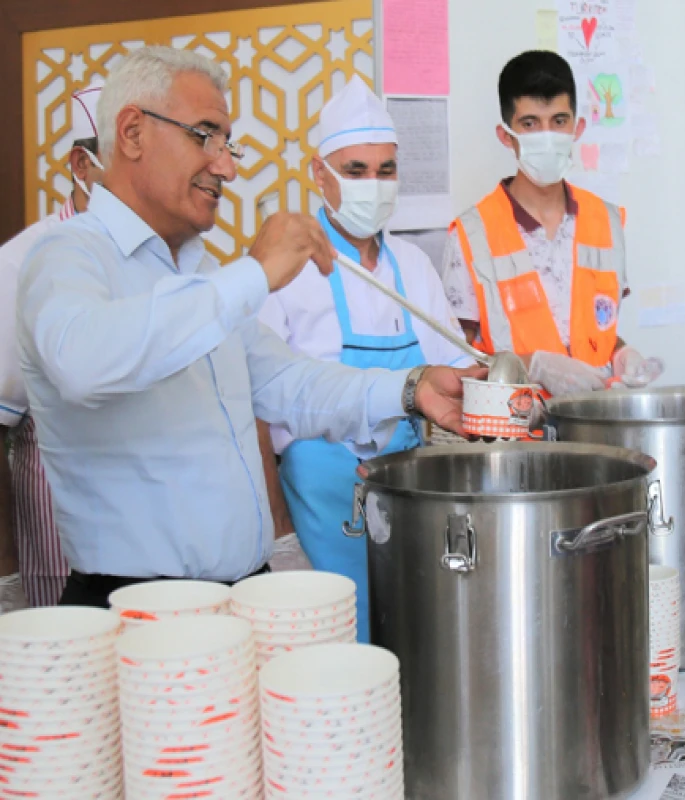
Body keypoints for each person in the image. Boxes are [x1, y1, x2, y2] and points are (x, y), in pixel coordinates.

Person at [15, 46, 481, 609]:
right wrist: (255, 273)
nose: (227, 167)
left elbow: (288, 382)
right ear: (133, 134)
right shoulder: (67, 256)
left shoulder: (200, 271)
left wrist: (410, 388)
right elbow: (86, 361)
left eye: (227, 144)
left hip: (238, 594)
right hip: (137, 606)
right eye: (205, 136)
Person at [258, 76, 474, 641]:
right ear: (317, 173)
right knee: (335, 654)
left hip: (407, 499)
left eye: (385, 171)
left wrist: (521, 368)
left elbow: (458, 371)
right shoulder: (284, 270)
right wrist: (279, 534)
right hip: (318, 506)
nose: (372, 185)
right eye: (355, 171)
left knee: (413, 642)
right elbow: (252, 405)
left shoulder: (413, 266)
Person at [441, 50, 663, 396]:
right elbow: (455, 364)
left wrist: (622, 355)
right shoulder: (472, 234)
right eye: (530, 123)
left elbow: (594, 330)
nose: (547, 135)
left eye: (559, 121)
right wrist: (533, 366)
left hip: (596, 428)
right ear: (505, 135)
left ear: (577, 127)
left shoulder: (606, 221)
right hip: (514, 438)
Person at [0, 84, 105, 612]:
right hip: (58, 542)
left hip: (154, 541)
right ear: (81, 166)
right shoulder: (21, 264)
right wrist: (4, 578)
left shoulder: (164, 258)